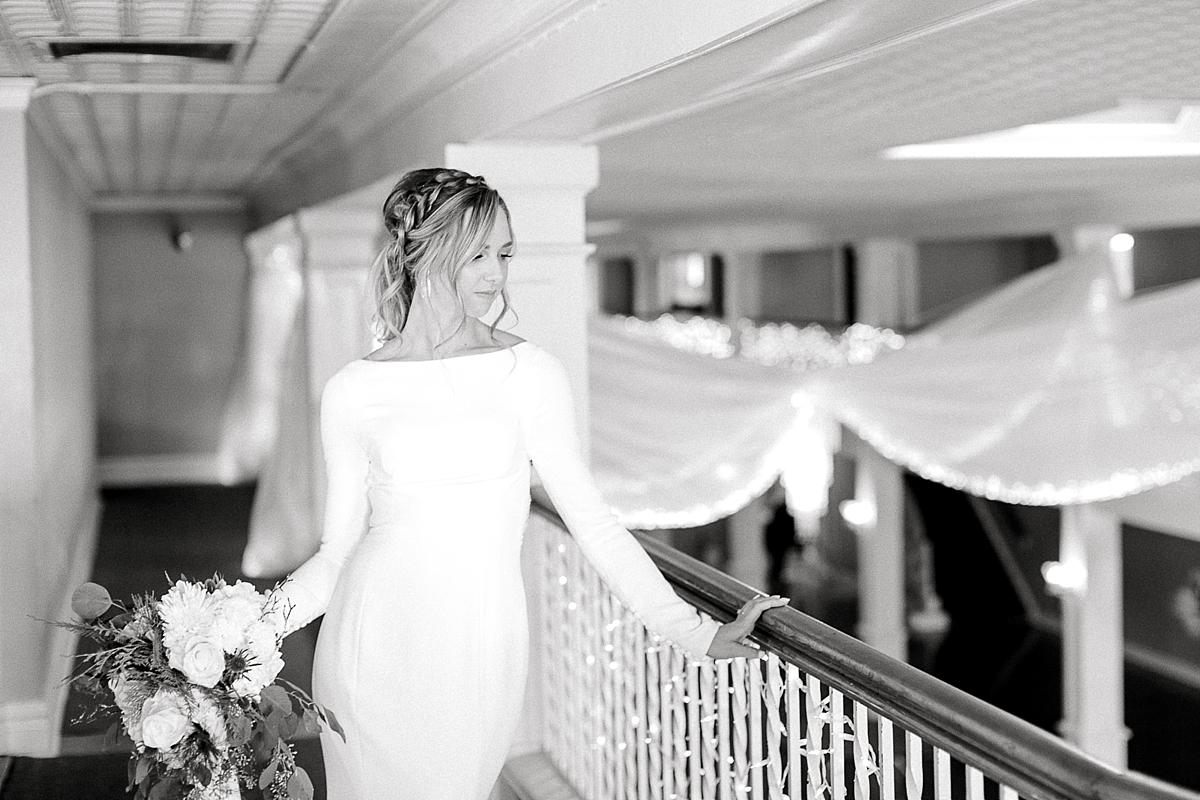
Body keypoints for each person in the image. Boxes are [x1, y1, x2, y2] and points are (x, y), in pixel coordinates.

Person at [277, 168, 787, 799]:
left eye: (505, 253)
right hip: (369, 643)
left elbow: (593, 522)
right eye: (478, 254)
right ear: (424, 252)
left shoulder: (528, 373)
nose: (496, 273)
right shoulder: (353, 390)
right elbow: (335, 555)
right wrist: (240, 634)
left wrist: (693, 631)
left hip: (479, 646)